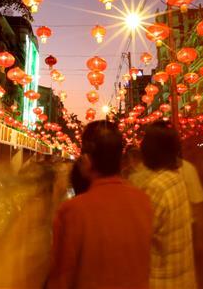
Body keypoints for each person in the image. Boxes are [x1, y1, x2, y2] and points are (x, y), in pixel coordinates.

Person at [47, 121, 153, 289]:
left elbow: (61, 279)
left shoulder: (72, 212)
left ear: (87, 160)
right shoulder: (144, 202)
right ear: (122, 160)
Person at [136, 122, 196, 289]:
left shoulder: (155, 187)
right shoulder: (175, 177)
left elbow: (139, 239)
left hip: (162, 281)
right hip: (182, 277)